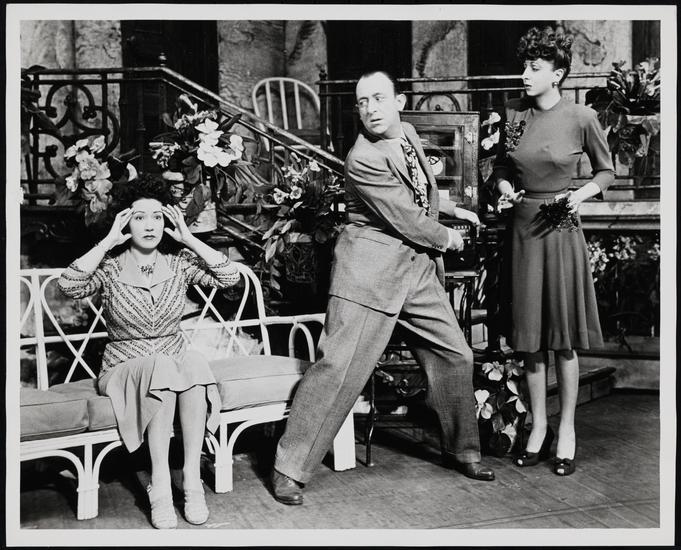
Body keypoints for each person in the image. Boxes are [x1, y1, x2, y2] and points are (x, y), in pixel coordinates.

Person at [270, 70, 495, 506]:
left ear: (399, 102)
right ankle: (288, 469)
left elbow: (419, 194)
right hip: (368, 274)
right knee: (338, 370)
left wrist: (454, 209)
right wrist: (449, 237)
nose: (370, 109)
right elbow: (404, 217)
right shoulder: (363, 157)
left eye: (378, 98)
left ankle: (462, 450)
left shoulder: (406, 133)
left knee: (455, 354)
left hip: (415, 270)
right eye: (362, 102)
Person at [58, 175, 241, 528]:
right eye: (139, 217)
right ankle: (160, 482)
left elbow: (229, 278)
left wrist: (189, 238)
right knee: (164, 365)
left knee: (191, 361)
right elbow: (68, 285)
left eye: (157, 217)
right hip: (123, 367)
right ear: (125, 222)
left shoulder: (179, 262)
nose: (149, 225)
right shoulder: (110, 266)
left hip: (173, 362)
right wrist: (107, 241)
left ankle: (191, 478)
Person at [492, 26, 615, 476]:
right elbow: (501, 166)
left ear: (557, 74)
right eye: (524, 66)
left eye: (534, 67)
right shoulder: (513, 113)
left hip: (561, 228)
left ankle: (566, 430)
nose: (525, 74)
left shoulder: (582, 117)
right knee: (530, 340)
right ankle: (538, 426)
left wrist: (578, 195)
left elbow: (606, 172)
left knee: (561, 339)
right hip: (524, 230)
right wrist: (505, 189)